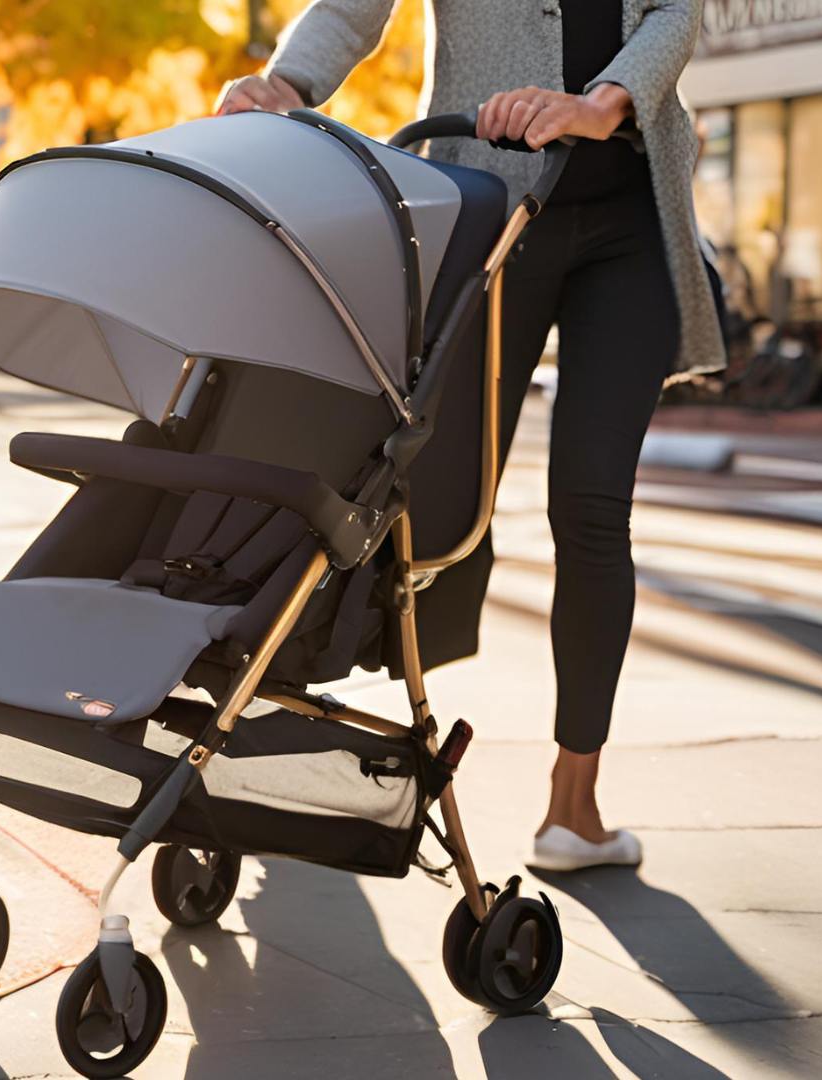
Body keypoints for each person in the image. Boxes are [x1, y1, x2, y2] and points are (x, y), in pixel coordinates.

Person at [219, 1, 723, 872]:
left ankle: (575, 803)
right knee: (404, 474)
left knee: (593, 506)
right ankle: (274, 709)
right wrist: (288, 82)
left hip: (631, 217)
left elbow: (675, 10)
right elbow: (351, 5)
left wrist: (603, 101)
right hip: (494, 198)